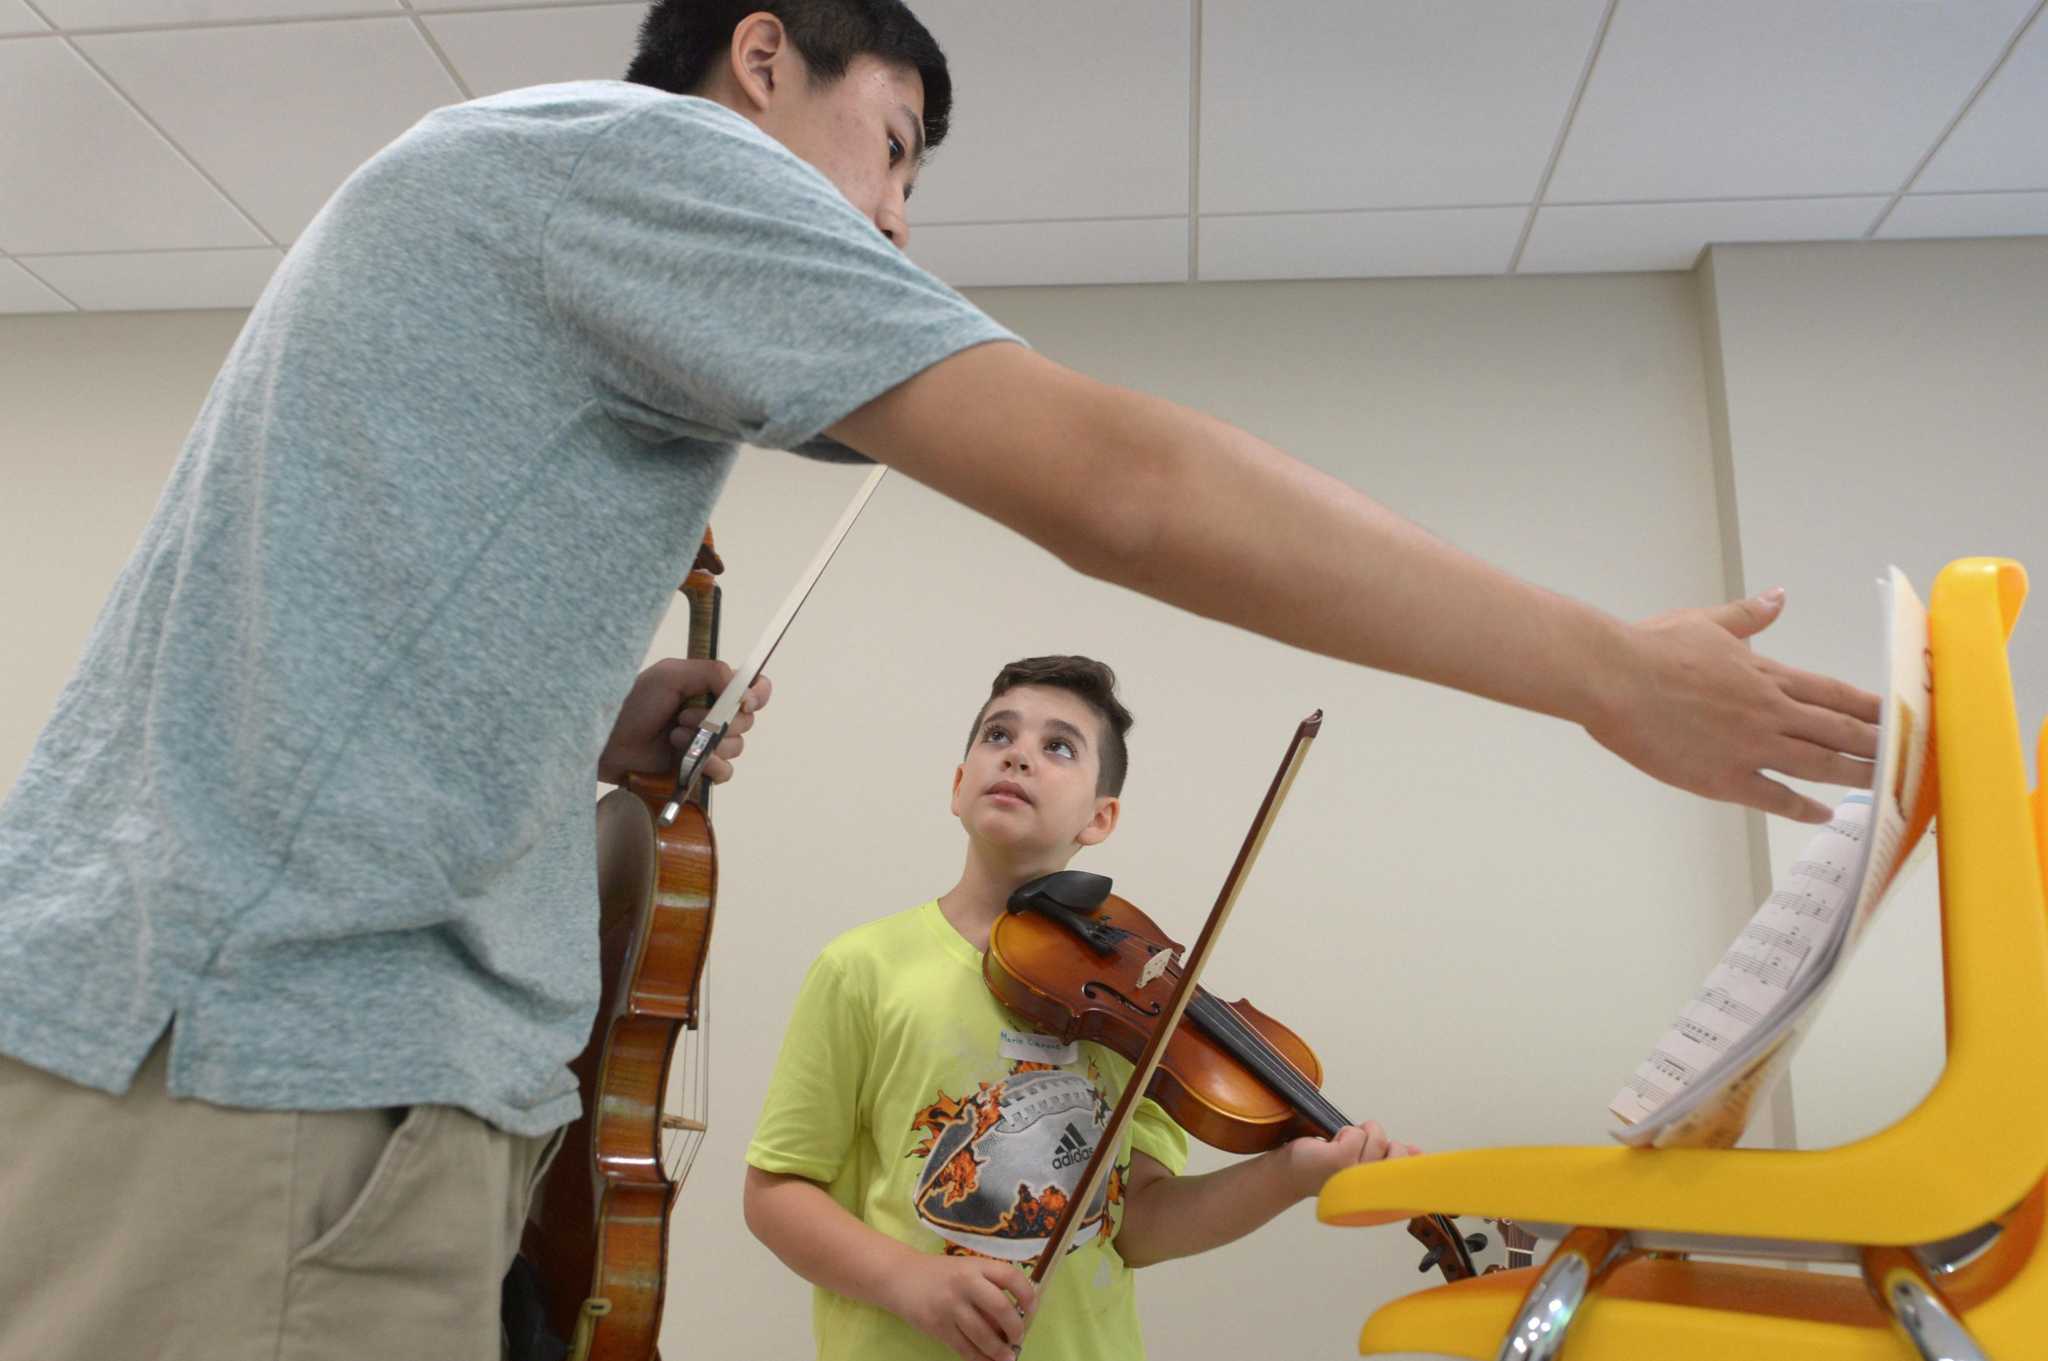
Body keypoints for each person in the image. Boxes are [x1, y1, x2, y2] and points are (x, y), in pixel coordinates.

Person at [0, 2, 1877, 1359]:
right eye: (889, 142)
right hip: (277, 1083)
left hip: (259, 1061)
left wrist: (591, 723)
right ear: (759, 62)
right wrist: (1596, 671)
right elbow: (1124, 485)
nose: (893, 217)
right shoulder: (636, 153)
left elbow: (314, 639)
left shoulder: (507, 196)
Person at [745, 656, 1417, 1361]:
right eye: (998, 734)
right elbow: (775, 1190)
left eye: (1058, 745)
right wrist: (907, 1278)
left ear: (1101, 817)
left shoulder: (1141, 1005)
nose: (1019, 754)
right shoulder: (862, 968)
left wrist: (1291, 1175)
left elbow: (1140, 1223)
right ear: (957, 784)